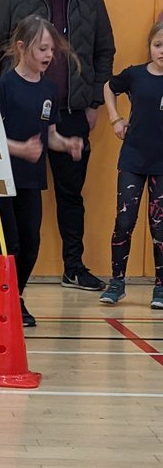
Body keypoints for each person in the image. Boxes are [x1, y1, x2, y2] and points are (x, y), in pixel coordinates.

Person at [0, 0, 115, 292]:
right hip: (17, 118)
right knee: (15, 214)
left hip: (71, 111)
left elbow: (104, 52)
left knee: (71, 195)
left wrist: (95, 100)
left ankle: (73, 267)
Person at [0, 14, 84, 328]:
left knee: (30, 242)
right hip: (0, 176)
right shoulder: (4, 86)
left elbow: (50, 135)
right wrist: (19, 149)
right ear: (21, 48)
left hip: (31, 179)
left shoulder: (49, 90)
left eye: (51, 50)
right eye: (42, 49)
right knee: (8, 241)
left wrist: (67, 144)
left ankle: (13, 296)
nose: (48, 56)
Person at [98, 20, 163, 309]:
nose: (162, 51)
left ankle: (160, 287)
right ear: (150, 46)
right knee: (124, 222)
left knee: (160, 227)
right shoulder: (135, 75)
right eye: (158, 45)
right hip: (133, 160)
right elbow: (108, 88)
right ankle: (117, 282)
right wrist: (115, 119)